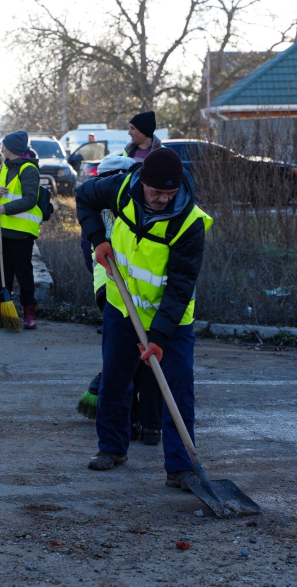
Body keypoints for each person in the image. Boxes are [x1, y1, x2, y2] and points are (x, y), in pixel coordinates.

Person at [75, 148, 212, 484]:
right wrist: (98, 239)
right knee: (115, 381)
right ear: (142, 182)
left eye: (169, 193)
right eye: (156, 193)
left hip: (171, 322)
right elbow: (83, 197)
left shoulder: (190, 223)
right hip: (122, 309)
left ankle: (181, 468)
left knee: (177, 391)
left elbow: (180, 287)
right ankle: (111, 448)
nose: (162, 199)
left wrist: (160, 337)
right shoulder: (121, 189)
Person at [0, 131, 42, 331]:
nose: (2, 147)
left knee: (24, 273)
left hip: (21, 232)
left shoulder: (28, 169)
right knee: (2, 275)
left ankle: (28, 314)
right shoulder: (3, 167)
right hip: (3, 230)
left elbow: (30, 200)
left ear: (12, 148)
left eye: (4, 145)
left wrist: (6, 208)